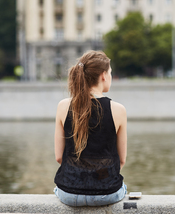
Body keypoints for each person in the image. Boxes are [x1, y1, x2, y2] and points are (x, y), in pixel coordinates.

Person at [53, 50, 127, 206]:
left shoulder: (63, 106)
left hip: (69, 193)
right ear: (103, 75)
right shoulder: (118, 110)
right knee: (123, 188)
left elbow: (59, 158)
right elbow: (121, 160)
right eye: (110, 73)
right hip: (106, 193)